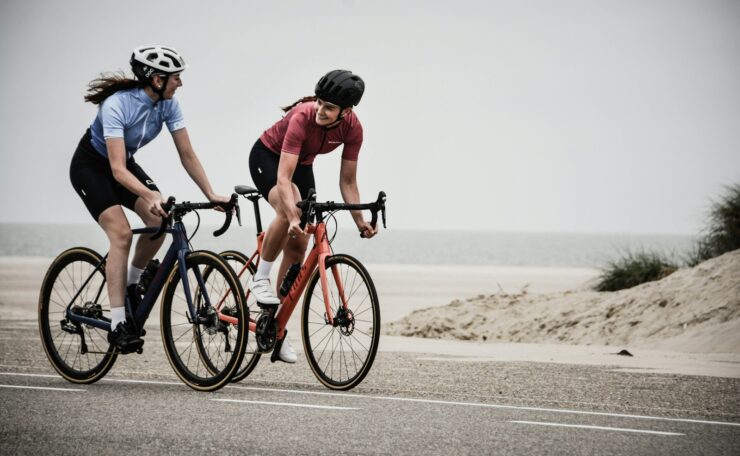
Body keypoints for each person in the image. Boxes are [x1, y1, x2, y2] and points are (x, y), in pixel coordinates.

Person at [69, 45, 230, 353]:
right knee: (122, 234)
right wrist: (149, 193)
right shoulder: (116, 105)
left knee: (159, 218)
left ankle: (131, 283)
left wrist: (210, 194)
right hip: (92, 167)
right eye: (176, 78)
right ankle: (118, 324)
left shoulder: (168, 105)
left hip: (123, 165)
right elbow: (116, 170)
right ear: (157, 80)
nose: (180, 83)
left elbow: (187, 153)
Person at [247, 69, 377, 363]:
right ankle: (260, 277)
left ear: (347, 111)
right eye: (319, 102)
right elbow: (283, 177)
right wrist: (292, 214)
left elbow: (348, 182)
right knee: (287, 206)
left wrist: (360, 221)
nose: (320, 110)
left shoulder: (353, 129)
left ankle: (275, 327)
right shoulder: (302, 116)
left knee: (300, 243)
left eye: (329, 107)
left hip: (302, 164)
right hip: (268, 157)